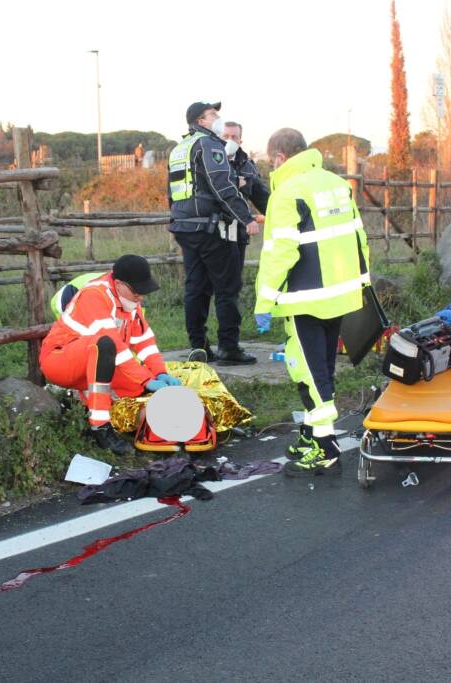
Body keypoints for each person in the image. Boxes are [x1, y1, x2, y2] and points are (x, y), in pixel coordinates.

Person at [254, 128, 370, 476]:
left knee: (308, 368)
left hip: (306, 298)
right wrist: (362, 283)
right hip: (341, 292)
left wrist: (265, 300)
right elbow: (359, 235)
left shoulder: (287, 192)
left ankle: (325, 445)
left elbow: (280, 252)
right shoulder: (335, 183)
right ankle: (311, 431)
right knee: (322, 366)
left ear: (279, 158)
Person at [39, 255, 181, 456]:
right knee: (105, 345)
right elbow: (112, 343)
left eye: (143, 292)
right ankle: (100, 427)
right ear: (119, 284)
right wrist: (146, 379)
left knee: (139, 389)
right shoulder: (94, 295)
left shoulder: (130, 301)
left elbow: (145, 342)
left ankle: (93, 409)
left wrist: (159, 372)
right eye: (137, 291)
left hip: (93, 361)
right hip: (59, 361)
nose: (141, 297)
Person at [168, 101, 261, 365]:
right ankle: (229, 348)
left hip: (185, 226)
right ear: (201, 121)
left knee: (195, 288)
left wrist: (177, 219)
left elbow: (171, 192)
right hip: (211, 228)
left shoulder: (178, 149)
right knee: (226, 288)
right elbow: (221, 185)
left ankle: (199, 347)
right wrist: (246, 218)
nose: (218, 118)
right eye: (213, 115)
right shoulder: (209, 145)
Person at [221, 121, 271, 331]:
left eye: (234, 137)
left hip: (237, 233)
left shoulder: (248, 166)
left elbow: (263, 197)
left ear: (241, 140)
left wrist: (281, 212)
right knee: (204, 287)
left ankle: (229, 341)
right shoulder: (209, 161)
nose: (230, 141)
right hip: (211, 232)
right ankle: (200, 342)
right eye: (226, 137)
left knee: (232, 286)